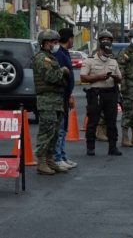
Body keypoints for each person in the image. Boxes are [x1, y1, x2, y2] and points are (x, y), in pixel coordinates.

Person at [33, 29, 70, 175]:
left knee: (54, 133)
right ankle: (41, 162)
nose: (56, 45)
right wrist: (63, 71)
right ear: (45, 43)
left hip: (56, 100)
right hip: (47, 100)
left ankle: (50, 160)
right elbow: (51, 77)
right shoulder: (42, 58)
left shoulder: (50, 57)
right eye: (53, 42)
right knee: (46, 132)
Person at [81, 31, 123, 156]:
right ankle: (90, 147)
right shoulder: (90, 61)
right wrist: (99, 77)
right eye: (105, 52)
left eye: (108, 52)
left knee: (112, 121)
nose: (107, 55)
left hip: (111, 93)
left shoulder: (113, 61)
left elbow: (120, 78)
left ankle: (112, 147)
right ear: (100, 49)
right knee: (93, 121)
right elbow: (83, 77)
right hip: (96, 94)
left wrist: (115, 77)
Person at [52, 28, 78, 171]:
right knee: (60, 129)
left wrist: (70, 94)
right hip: (60, 96)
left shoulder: (64, 53)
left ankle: (61, 155)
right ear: (69, 39)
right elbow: (60, 78)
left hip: (65, 95)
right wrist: (67, 95)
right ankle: (57, 158)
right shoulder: (60, 55)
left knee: (64, 127)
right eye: (72, 38)